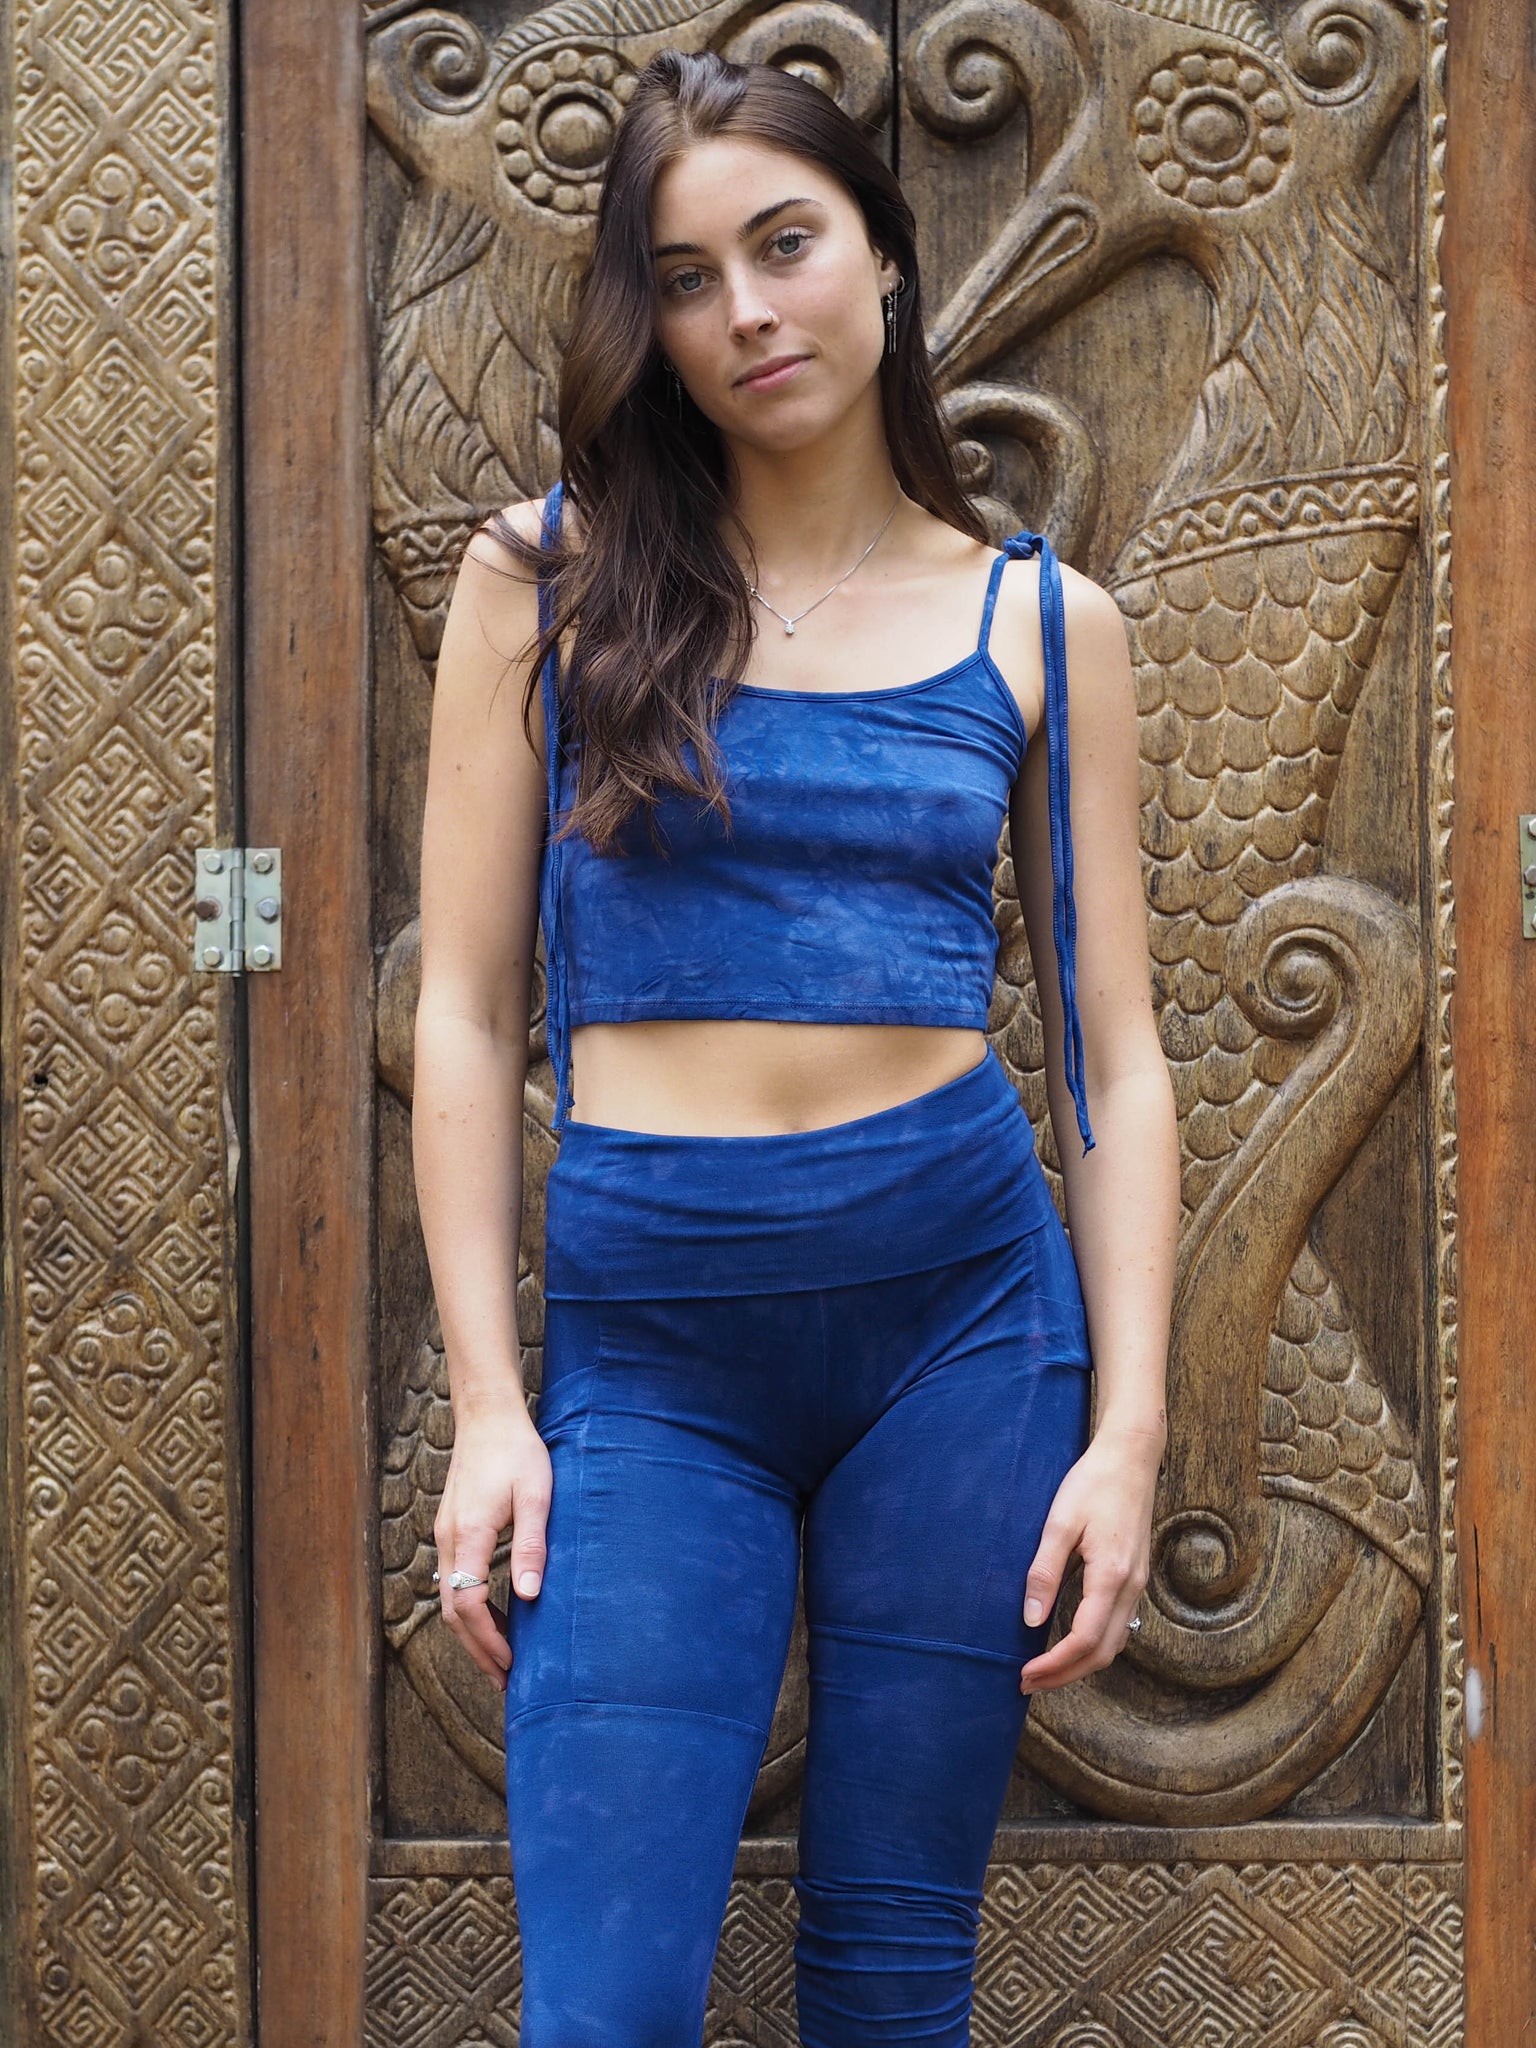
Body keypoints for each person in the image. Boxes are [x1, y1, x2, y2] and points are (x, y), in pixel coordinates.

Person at [411, 45, 1179, 2048]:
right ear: (649, 323)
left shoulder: (1041, 623)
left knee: (895, 1983)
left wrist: (1129, 1433)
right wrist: (490, 1404)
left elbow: (1115, 1057)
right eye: (685, 277)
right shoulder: (545, 584)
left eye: (786, 245)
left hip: (962, 1334)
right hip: (653, 1351)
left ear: (886, 260)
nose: (746, 311)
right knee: (606, 2004)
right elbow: (465, 1013)